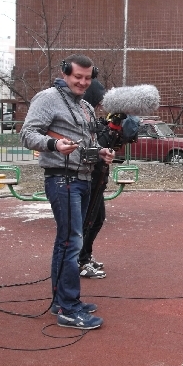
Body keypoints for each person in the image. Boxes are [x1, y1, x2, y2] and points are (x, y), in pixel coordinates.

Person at [20, 54, 114, 330]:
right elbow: (27, 134)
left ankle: (63, 300)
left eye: (88, 78)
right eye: (78, 78)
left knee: (68, 241)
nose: (83, 82)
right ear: (65, 74)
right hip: (63, 180)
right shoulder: (47, 98)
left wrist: (101, 153)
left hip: (83, 179)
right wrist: (53, 145)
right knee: (71, 243)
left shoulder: (84, 104)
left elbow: (86, 144)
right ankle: (68, 308)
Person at [78, 78, 108, 279]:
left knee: (97, 219)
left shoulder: (92, 117)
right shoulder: (79, 116)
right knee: (85, 222)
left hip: (97, 177)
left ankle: (86, 255)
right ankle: (80, 260)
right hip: (84, 178)